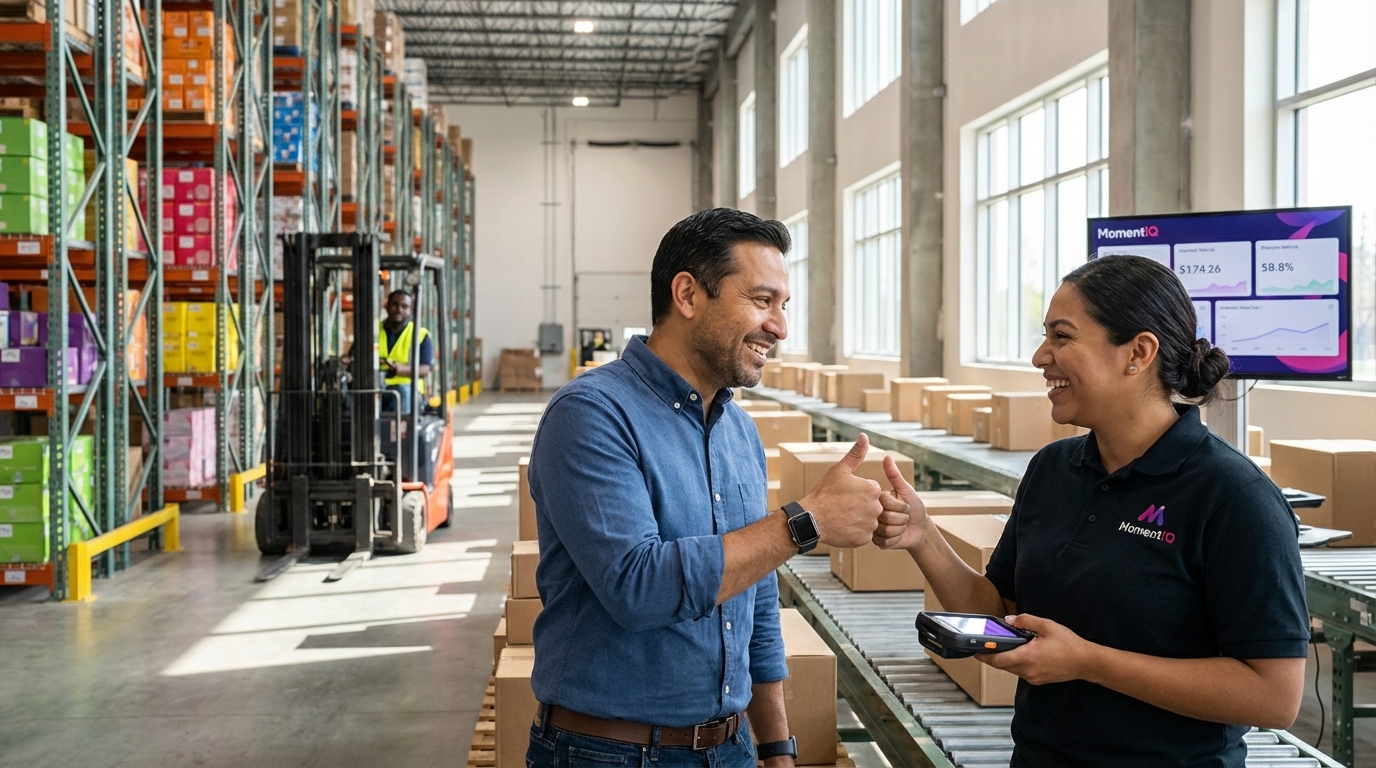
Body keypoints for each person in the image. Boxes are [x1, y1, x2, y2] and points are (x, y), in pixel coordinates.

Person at [877, 255, 1309, 766]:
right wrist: (923, 535)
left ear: (1137, 353)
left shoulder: (1233, 496)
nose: (1040, 356)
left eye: (1062, 337)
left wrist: (1088, 662)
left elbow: (1274, 695)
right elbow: (999, 613)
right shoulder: (1053, 469)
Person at [526, 208, 910, 767]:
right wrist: (805, 522)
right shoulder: (590, 415)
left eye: (783, 307)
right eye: (761, 301)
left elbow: (753, 600)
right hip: (608, 752)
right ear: (687, 294)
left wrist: (776, 746)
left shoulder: (737, 431)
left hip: (728, 749)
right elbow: (638, 587)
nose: (779, 327)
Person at [378, 289, 432, 413]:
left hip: (407, 389)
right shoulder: (372, 330)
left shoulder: (420, 334)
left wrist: (399, 369)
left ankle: (401, 431)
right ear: (386, 306)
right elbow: (354, 357)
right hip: (376, 386)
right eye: (394, 305)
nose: (399, 309)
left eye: (404, 306)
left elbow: (424, 369)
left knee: (401, 392)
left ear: (410, 309)